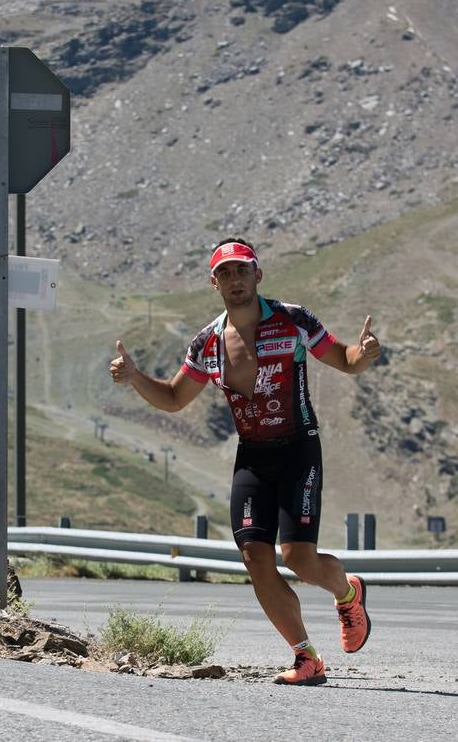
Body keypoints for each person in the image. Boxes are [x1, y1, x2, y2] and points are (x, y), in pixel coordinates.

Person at [109, 238, 379, 686]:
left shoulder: (293, 320)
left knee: (299, 559)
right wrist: (136, 377)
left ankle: (348, 593)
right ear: (214, 283)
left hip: (299, 449)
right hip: (252, 457)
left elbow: (346, 360)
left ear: (258, 274)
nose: (235, 279)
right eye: (225, 273)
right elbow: (174, 398)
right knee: (255, 557)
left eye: (242, 270)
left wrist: (363, 354)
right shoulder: (208, 342)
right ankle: (306, 657)